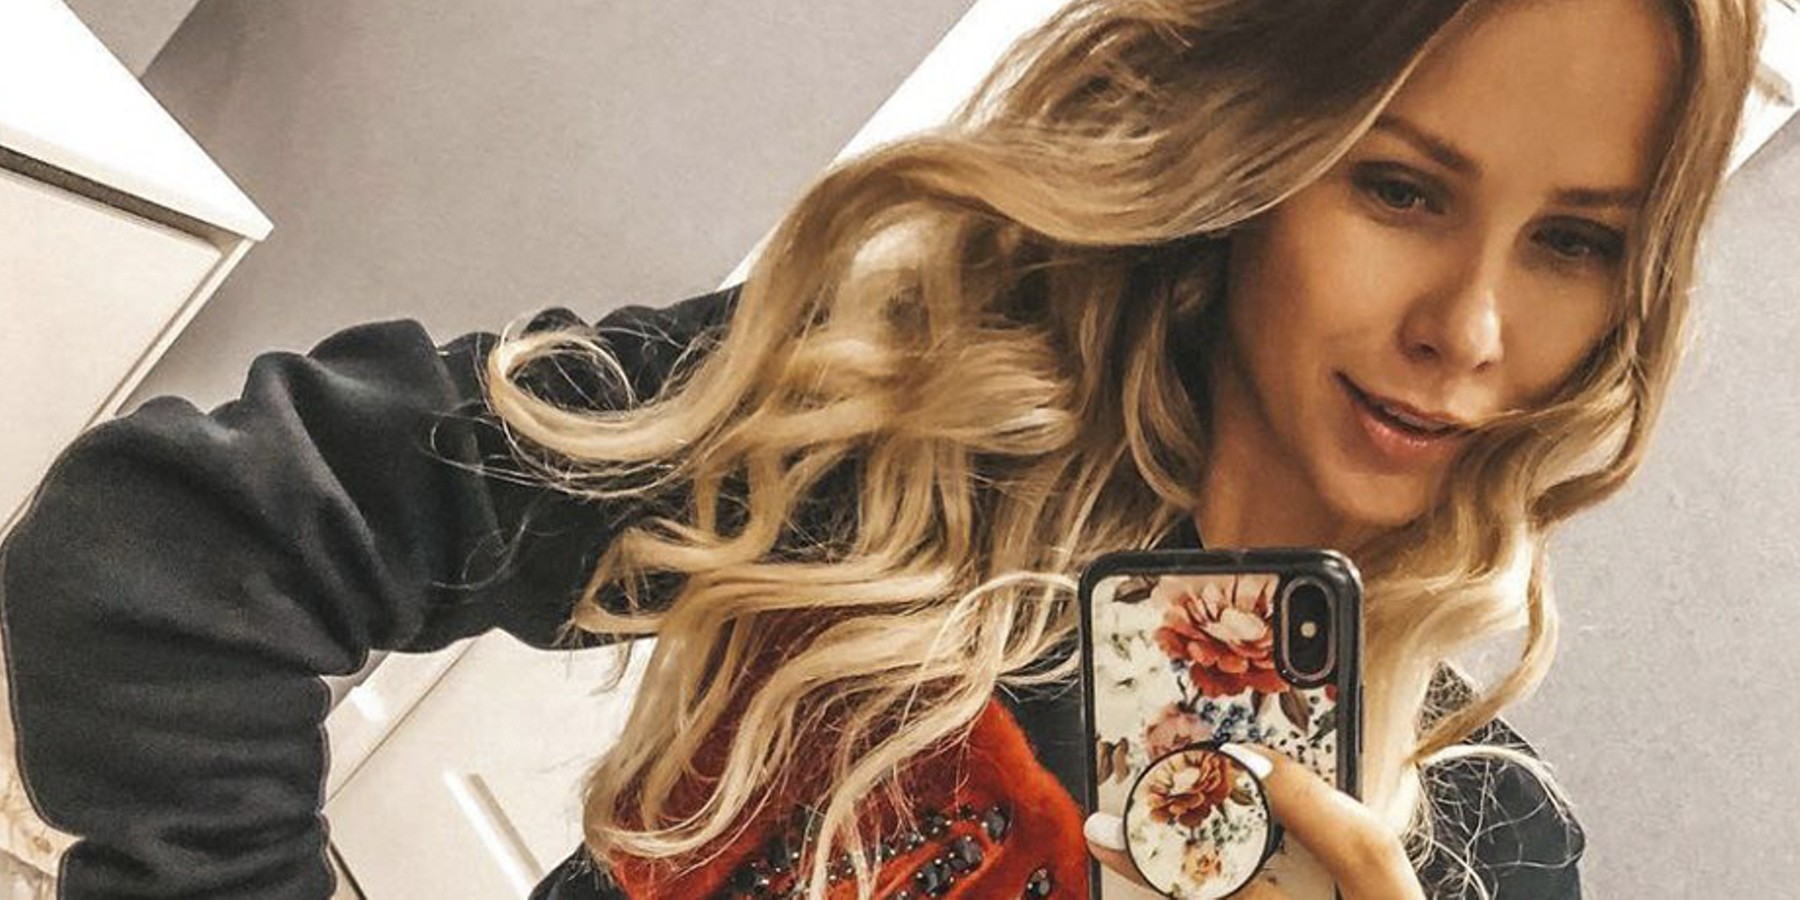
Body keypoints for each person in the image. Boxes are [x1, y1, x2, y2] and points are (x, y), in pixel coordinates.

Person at [0, 0, 1761, 897]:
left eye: (1575, 241)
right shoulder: (889, 428)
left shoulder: (1479, 850)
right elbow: (177, 552)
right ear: (1258, 163)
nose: (1471, 330)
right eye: (1402, 189)